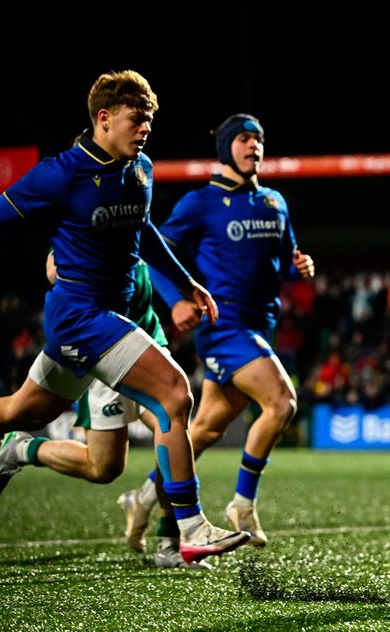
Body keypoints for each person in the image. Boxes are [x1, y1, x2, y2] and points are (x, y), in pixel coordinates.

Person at [0, 70, 250, 564]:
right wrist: (51, 254)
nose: (145, 130)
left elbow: (144, 229)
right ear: (104, 118)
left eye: (150, 122)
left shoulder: (140, 169)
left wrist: (185, 282)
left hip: (109, 318)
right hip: (81, 318)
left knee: (32, 421)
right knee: (174, 394)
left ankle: (13, 451)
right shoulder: (61, 173)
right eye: (137, 120)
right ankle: (188, 528)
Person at [121, 113, 315, 549]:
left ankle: (145, 496)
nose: (254, 147)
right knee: (282, 403)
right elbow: (155, 254)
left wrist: (298, 266)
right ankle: (243, 503)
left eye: (259, 140)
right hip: (223, 327)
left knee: (204, 430)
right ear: (226, 147)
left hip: (260, 325)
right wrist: (177, 301)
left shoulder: (274, 202)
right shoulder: (200, 203)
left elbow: (283, 259)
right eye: (245, 139)